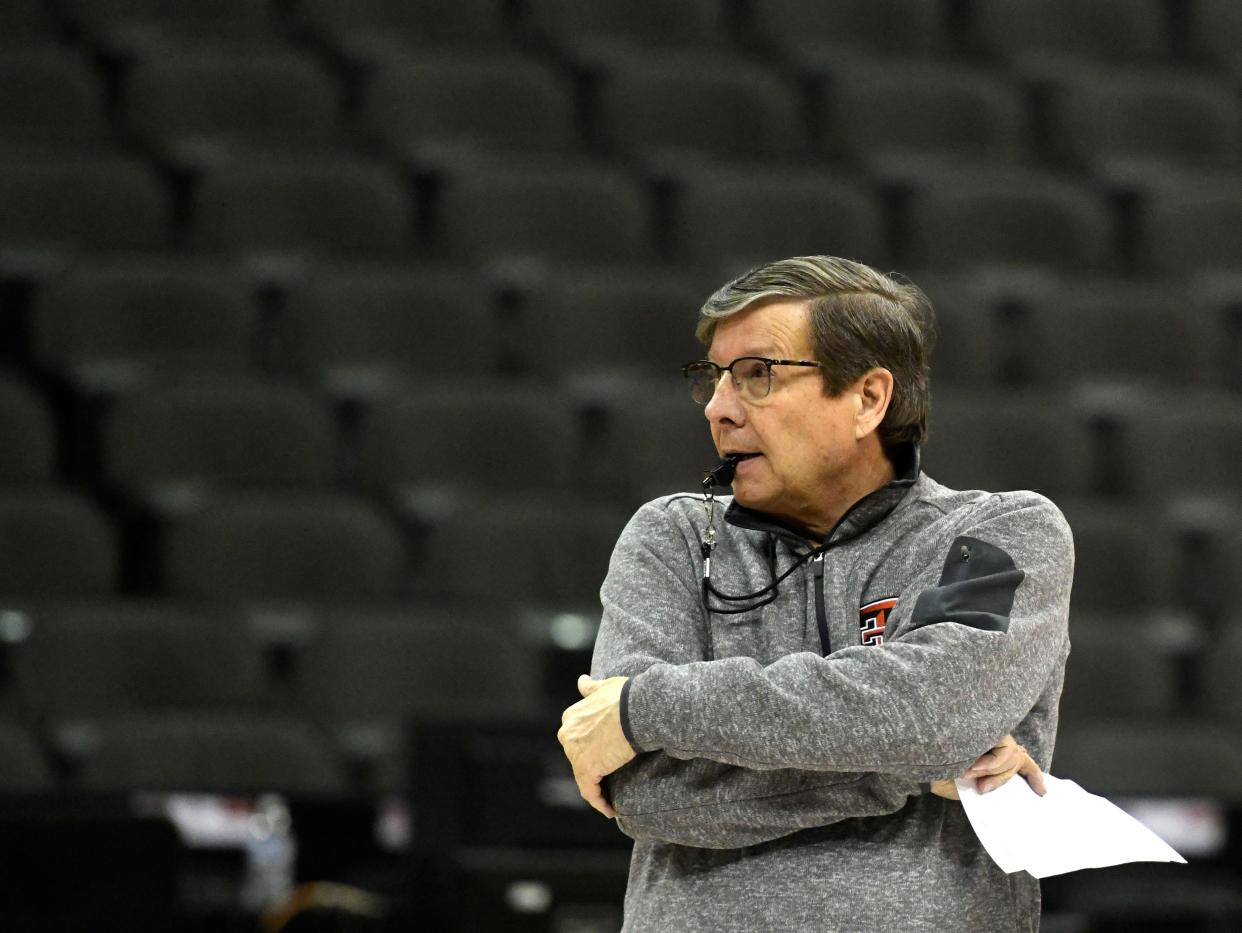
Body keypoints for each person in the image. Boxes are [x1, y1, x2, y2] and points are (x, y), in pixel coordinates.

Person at [557, 255, 1073, 932]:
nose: (718, 409)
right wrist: (916, 771)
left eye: (757, 375)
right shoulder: (672, 537)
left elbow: (931, 711)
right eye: (712, 378)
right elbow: (645, 790)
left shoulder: (996, 536)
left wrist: (646, 706)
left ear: (867, 398)